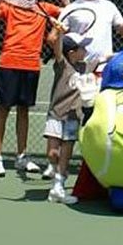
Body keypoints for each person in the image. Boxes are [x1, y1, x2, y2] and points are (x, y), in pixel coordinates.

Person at [0, 0, 69, 177]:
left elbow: (70, 13)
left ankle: (21, 156)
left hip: (31, 66)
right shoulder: (9, 5)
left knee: (23, 112)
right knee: (3, 110)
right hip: (9, 63)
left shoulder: (45, 8)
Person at [44, 31, 101, 204]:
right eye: (82, 47)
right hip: (56, 114)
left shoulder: (86, 66)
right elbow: (57, 48)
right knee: (52, 153)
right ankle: (56, 172)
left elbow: (106, 57)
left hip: (73, 117)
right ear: (71, 52)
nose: (85, 50)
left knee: (66, 152)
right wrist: (59, 32)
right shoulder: (62, 65)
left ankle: (59, 186)